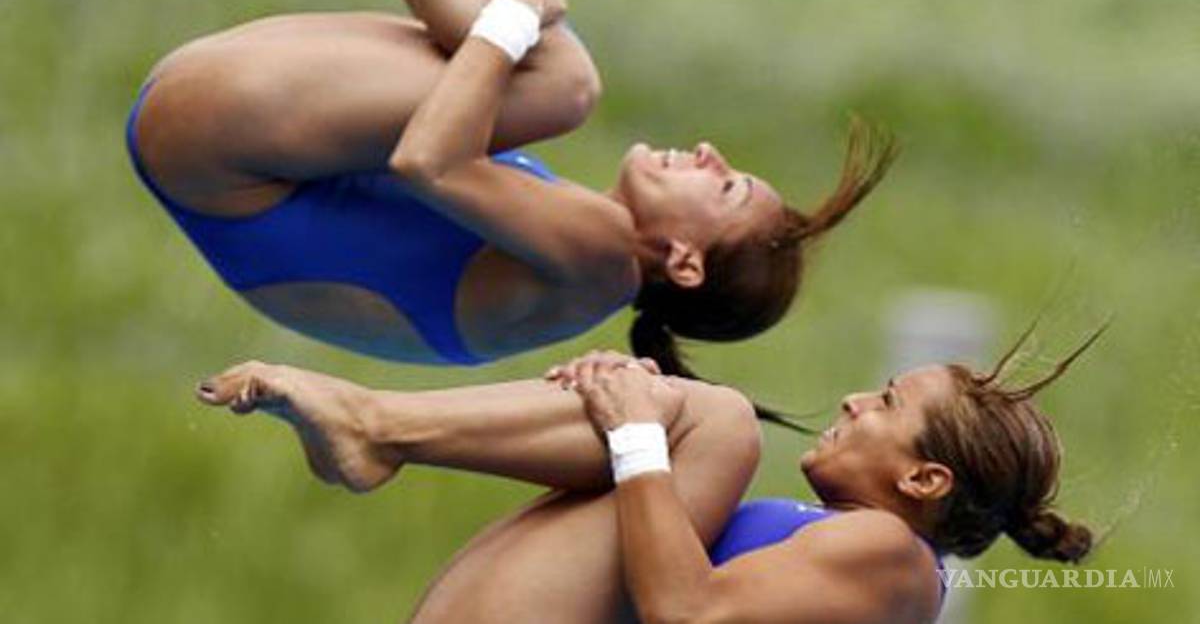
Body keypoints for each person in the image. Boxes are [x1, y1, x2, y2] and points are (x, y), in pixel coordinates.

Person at [126, 0, 897, 372]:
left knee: (561, 83)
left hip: (219, 142)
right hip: (207, 140)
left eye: (725, 187)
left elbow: (427, 161)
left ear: (685, 262)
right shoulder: (582, 265)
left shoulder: (602, 255)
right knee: (530, 58)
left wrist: (515, 18)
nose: (708, 152)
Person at [195, 325, 1101, 623]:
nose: (857, 399)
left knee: (719, 421)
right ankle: (374, 429)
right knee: (700, 418)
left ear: (925, 482)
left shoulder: (896, 561)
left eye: (889, 402)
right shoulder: (829, 543)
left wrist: (638, 436)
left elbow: (688, 613)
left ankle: (376, 427)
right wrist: (620, 407)